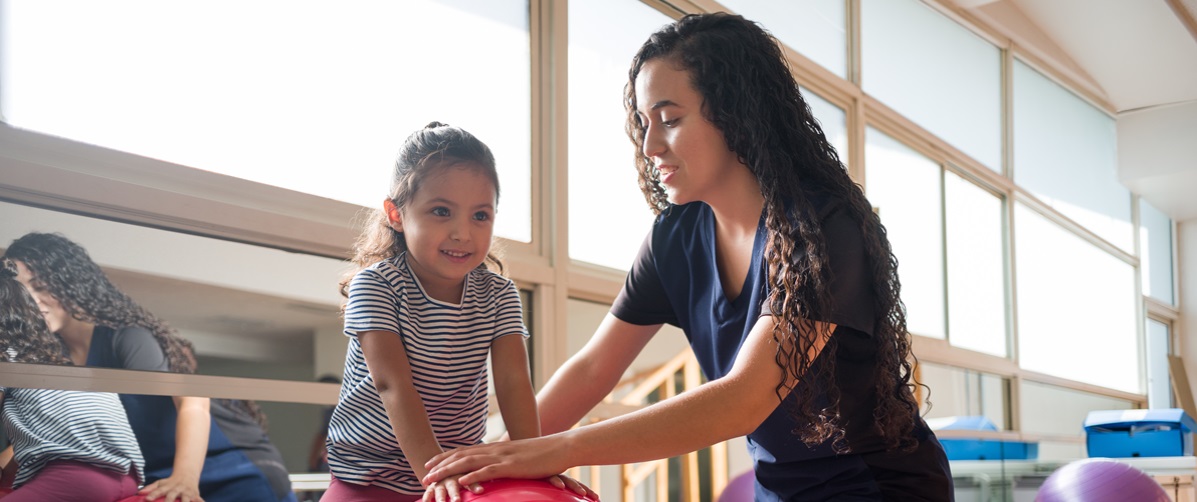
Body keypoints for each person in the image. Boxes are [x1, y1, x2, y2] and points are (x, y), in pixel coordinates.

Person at [423, 13, 954, 501]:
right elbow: (591, 370)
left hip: (881, 487)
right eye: (643, 122)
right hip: (780, 490)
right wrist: (480, 458)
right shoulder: (674, 239)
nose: (650, 144)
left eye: (670, 119)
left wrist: (560, 448)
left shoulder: (822, 228)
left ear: (736, 116)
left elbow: (743, 398)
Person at [324, 122, 549, 502]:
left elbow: (513, 383)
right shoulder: (377, 286)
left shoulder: (498, 295)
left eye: (481, 216)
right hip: (367, 477)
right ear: (396, 214)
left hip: (457, 475)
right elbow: (393, 386)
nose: (463, 233)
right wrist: (434, 472)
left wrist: (539, 465)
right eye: (441, 211)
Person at [4, 232, 296, 502]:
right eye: (22, 291)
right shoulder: (52, 357)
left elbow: (194, 400)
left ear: (68, 285)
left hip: (229, 469)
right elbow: (51, 428)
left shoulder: (126, 337)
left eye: (40, 287)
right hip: (158, 473)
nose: (32, 300)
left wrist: (185, 477)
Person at [0, 257, 146, 501]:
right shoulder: (57, 360)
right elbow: (47, 439)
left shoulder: (6, 357)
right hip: (127, 476)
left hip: (77, 474)